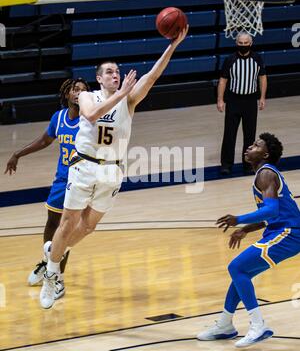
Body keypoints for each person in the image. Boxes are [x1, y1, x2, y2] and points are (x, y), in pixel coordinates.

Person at [39, 26, 189, 309]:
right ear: (99, 78)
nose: (115, 74)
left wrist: (173, 45)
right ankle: (51, 274)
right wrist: (120, 93)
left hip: (112, 171)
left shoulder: (129, 99)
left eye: (117, 71)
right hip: (84, 167)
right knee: (68, 222)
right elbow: (93, 115)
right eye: (109, 71)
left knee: (88, 227)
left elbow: (153, 75)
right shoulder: (87, 96)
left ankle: (53, 254)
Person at [197, 133, 300, 348]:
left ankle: (257, 325)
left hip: (289, 233)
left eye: (255, 145)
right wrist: (246, 229)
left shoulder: (265, 174)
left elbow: (271, 211)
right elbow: (272, 214)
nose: (249, 147)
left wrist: (238, 220)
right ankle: (225, 324)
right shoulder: (264, 175)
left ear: (266, 154)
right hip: (281, 231)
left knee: (237, 267)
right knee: (241, 272)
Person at [5, 78, 90, 298]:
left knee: (66, 229)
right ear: (67, 94)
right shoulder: (59, 118)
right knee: (51, 223)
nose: (78, 93)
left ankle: (58, 279)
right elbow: (44, 141)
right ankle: (48, 261)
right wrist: (17, 154)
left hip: (81, 181)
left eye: (83, 90)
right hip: (61, 181)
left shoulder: (90, 120)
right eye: (75, 89)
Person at [217, 32, 267, 175]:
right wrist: (220, 99)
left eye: (246, 43)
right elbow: (223, 80)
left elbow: (262, 78)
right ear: (236, 43)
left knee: (250, 136)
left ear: (250, 43)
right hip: (233, 100)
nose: (243, 45)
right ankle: (226, 164)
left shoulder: (257, 59)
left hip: (250, 101)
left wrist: (262, 97)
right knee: (229, 134)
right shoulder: (230, 60)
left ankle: (248, 165)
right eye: (241, 43)